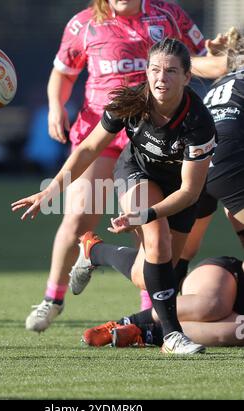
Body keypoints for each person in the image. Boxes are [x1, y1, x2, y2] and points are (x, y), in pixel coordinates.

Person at [24, 0, 226, 333]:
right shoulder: (83, 24)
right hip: (105, 131)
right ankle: (52, 298)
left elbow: (199, 60)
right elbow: (63, 72)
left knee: (153, 241)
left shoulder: (168, 14)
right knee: (77, 216)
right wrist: (55, 107)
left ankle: (148, 312)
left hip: (157, 135)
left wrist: (226, 59)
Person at [173, 26, 244, 284]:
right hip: (227, 158)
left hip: (194, 159)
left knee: (180, 254)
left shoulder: (224, 80)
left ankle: (100, 252)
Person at [81, 255, 244, 348]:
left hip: (237, 316)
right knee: (213, 304)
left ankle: (141, 334)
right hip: (228, 277)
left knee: (239, 330)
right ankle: (125, 322)